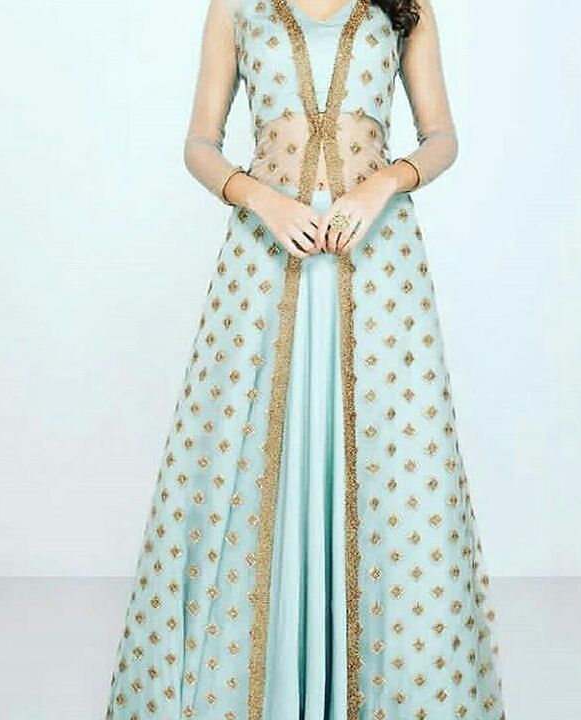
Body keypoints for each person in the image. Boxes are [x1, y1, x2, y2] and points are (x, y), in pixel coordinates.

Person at [105, 1, 506, 718]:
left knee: (395, 463)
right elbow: (199, 143)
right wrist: (262, 200)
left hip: (378, 262)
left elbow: (442, 136)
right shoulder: (236, 6)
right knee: (246, 458)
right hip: (265, 261)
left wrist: (384, 182)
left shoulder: (406, 6)